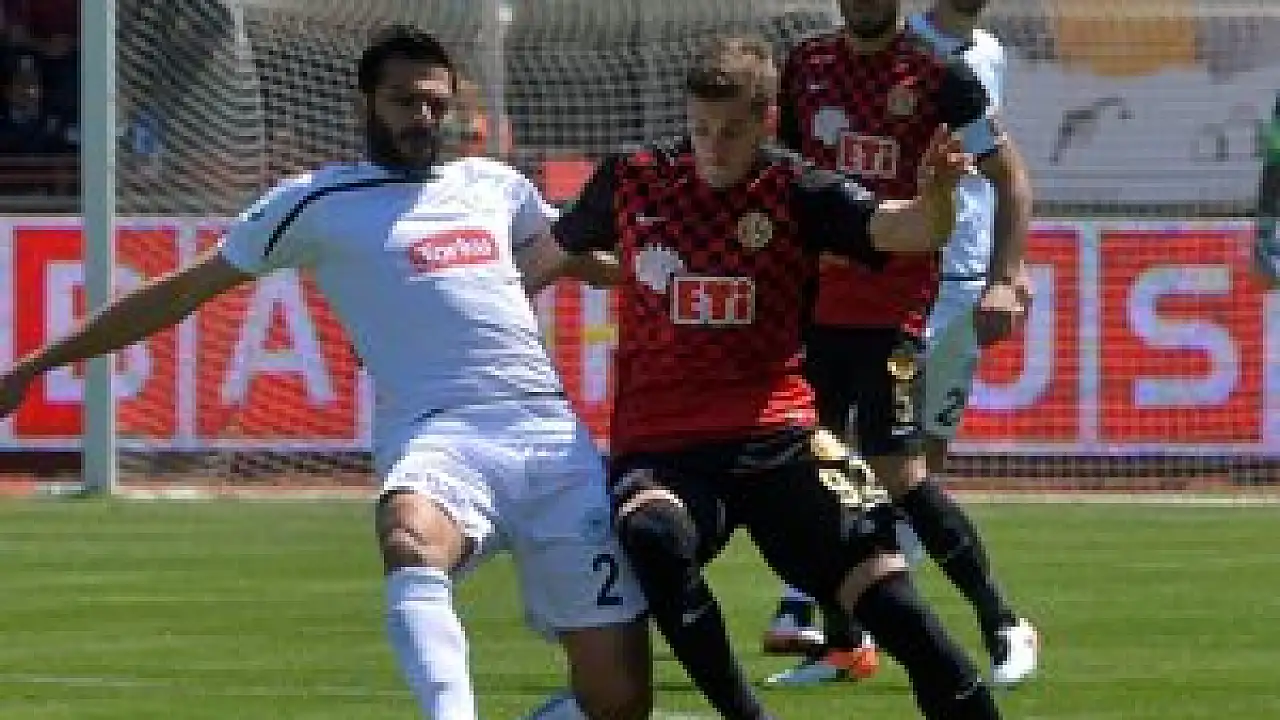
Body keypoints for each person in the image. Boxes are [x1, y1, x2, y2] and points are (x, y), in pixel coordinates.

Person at [0, 26, 651, 720]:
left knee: (618, 705)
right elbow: (182, 291)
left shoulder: (497, 186)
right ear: (364, 104)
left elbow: (585, 262)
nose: (423, 117)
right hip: (439, 436)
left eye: (436, 104)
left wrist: (671, 271)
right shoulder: (316, 201)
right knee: (408, 536)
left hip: (549, 438)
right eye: (404, 101)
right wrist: (39, 363)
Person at [522, 34, 1003, 720]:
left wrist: (938, 197)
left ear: (766, 121)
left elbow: (911, 231)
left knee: (896, 605)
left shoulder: (797, 188)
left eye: (731, 131)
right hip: (664, 448)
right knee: (654, 537)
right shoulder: (633, 178)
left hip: (779, 436)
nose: (713, 148)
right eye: (700, 129)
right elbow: (534, 267)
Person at [760, 0, 1040, 689]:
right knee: (817, 471)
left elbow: (1010, 178)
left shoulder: (940, 75)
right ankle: (843, 645)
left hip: (896, 309)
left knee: (898, 469)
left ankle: (1003, 622)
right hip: (813, 306)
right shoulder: (806, 66)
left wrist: (1006, 277)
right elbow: (782, 175)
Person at [1254, 92, 1279, 286]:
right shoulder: (1271, 129)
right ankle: (1264, 260)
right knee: (1267, 216)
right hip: (1273, 176)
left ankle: (1264, 256)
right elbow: (1271, 147)